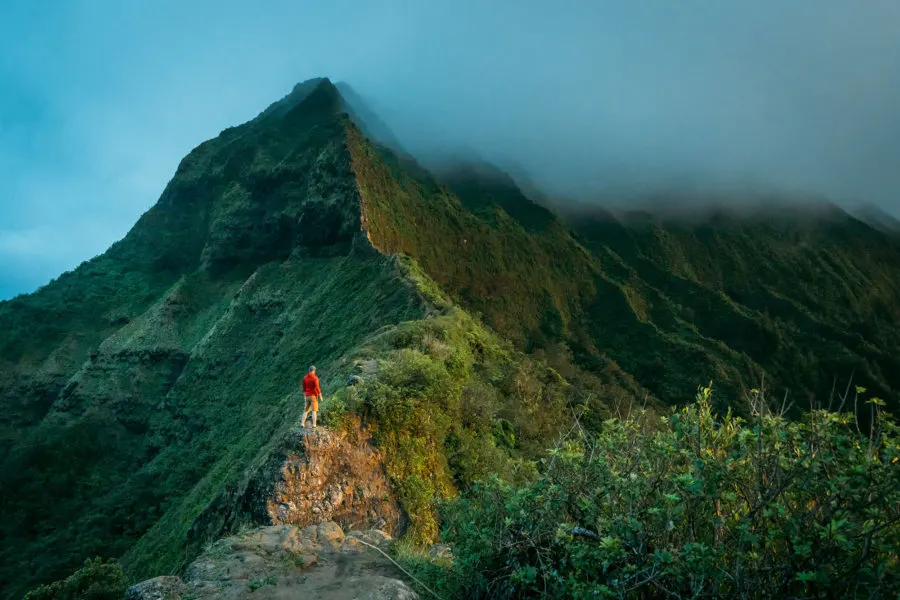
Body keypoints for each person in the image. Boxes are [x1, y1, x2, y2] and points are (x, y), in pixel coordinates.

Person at [301, 365, 323, 430]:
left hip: (307, 396)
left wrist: (305, 396)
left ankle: (302, 423)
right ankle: (314, 424)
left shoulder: (305, 378)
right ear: (314, 370)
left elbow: (304, 388)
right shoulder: (315, 378)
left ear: (309, 370)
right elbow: (317, 388)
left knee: (306, 411)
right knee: (314, 410)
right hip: (313, 396)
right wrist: (320, 396)